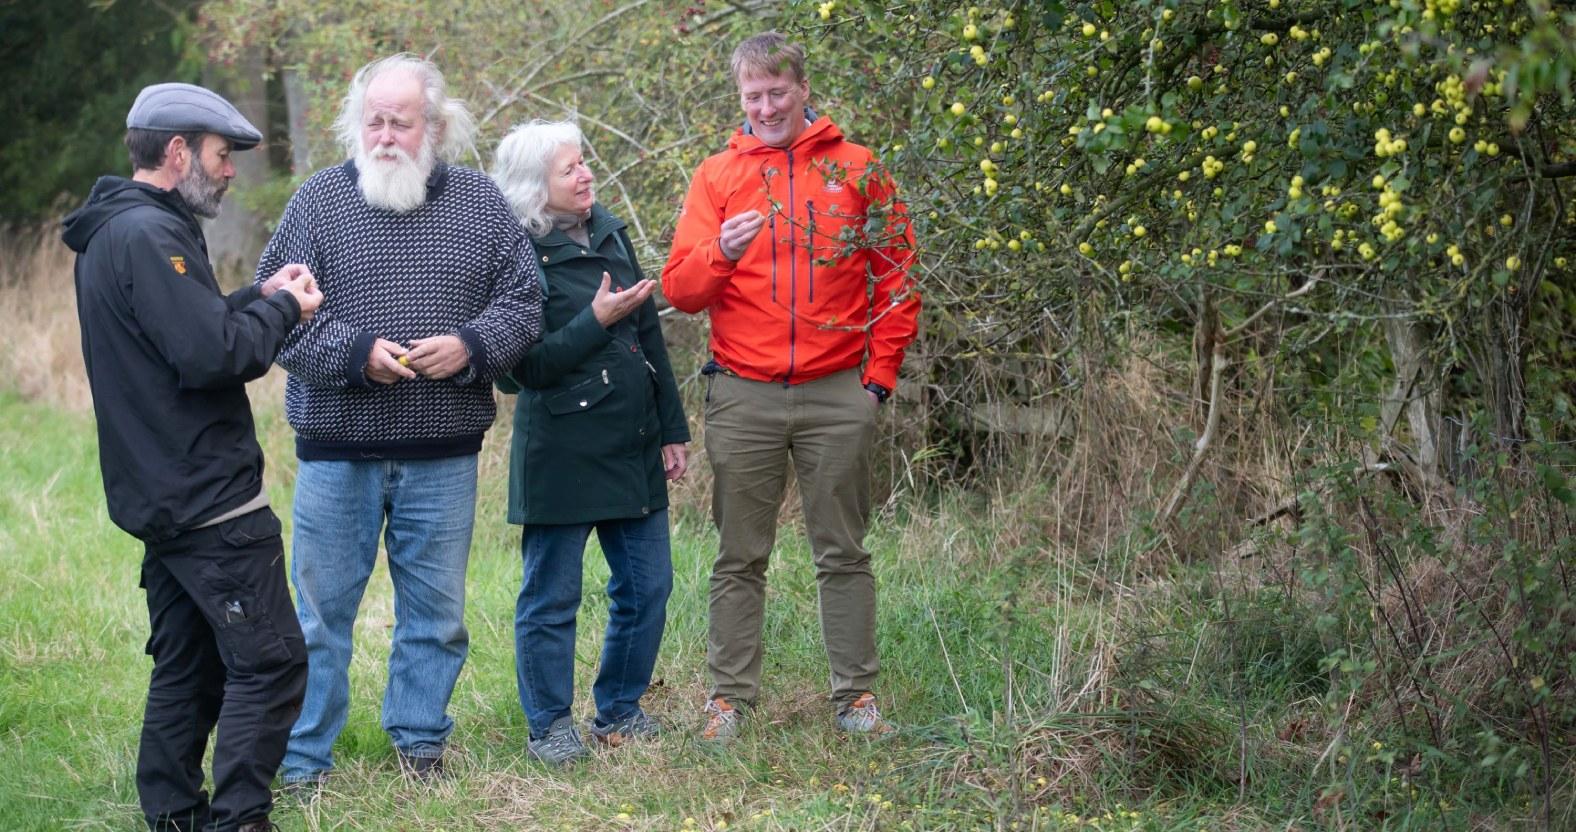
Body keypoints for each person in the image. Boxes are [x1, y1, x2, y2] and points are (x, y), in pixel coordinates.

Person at [256, 54, 544, 787]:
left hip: (443, 450)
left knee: (436, 617)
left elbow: (525, 301)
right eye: (374, 120)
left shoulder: (480, 202)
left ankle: (419, 745)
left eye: (400, 122)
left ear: (435, 128)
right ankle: (303, 761)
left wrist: (472, 346)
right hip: (335, 449)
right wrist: (356, 354)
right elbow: (274, 315)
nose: (384, 135)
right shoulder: (317, 202)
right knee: (319, 619)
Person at [64, 82, 322, 832]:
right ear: (177, 152)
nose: (230, 169)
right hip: (208, 501)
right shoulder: (152, 236)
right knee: (271, 661)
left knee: (192, 665)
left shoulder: (118, 230)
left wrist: (257, 294)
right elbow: (213, 356)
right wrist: (286, 309)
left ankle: (174, 816)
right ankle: (240, 820)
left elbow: (181, 333)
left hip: (163, 497)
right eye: (220, 155)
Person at [661, 32, 921, 740]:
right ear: (740, 99)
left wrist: (876, 382)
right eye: (754, 96)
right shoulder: (717, 175)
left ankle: (856, 699)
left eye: (779, 92)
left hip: (839, 391)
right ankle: (728, 701)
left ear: (804, 89)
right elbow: (680, 289)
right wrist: (722, 252)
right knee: (738, 555)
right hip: (742, 392)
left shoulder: (858, 169)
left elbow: (898, 280)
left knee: (843, 552)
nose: (768, 107)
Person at [489, 120, 691, 765]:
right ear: (534, 187)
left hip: (633, 440)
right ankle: (549, 726)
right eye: (569, 169)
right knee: (551, 599)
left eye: (584, 162)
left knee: (648, 586)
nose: (586, 175)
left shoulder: (608, 229)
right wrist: (594, 321)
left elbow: (648, 336)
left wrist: (672, 428)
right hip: (561, 452)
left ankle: (620, 711)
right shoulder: (514, 252)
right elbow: (521, 371)